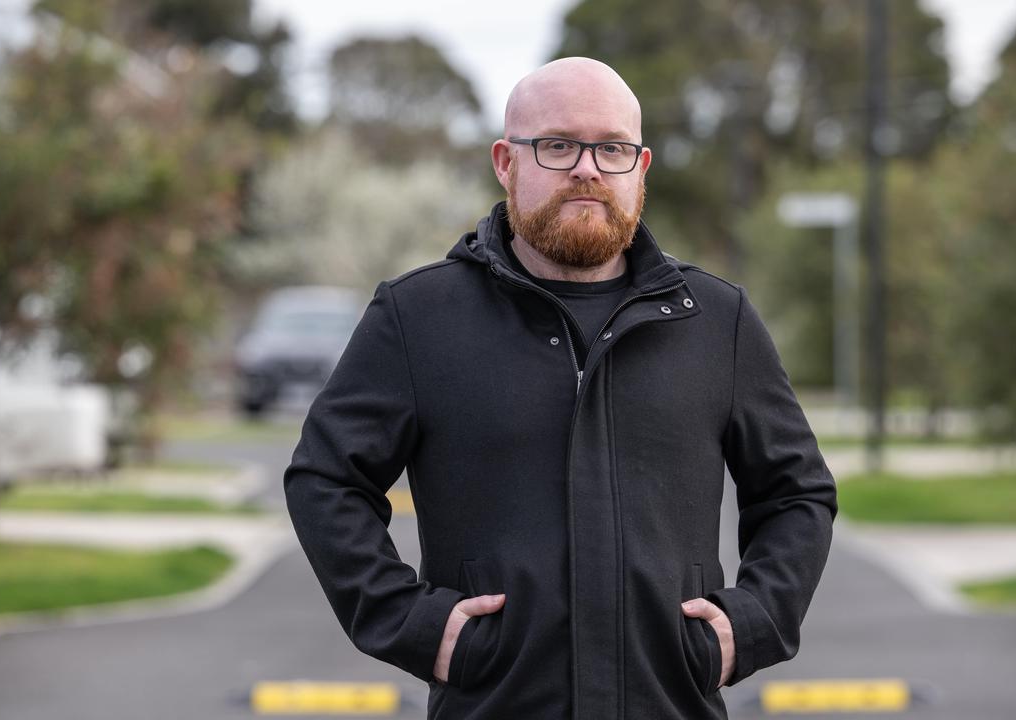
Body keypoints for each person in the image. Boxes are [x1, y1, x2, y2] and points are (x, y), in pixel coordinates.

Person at [284, 57, 837, 720]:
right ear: (505, 161)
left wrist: (747, 624)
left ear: (641, 168)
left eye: (612, 148)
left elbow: (797, 494)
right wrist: (415, 625)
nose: (587, 167)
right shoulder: (418, 319)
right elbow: (325, 479)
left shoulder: (717, 322)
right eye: (558, 145)